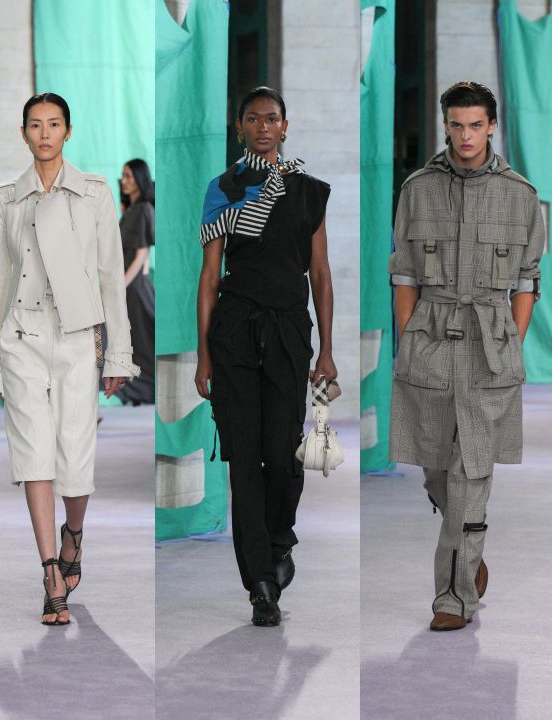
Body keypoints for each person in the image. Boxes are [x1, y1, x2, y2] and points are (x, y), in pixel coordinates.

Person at [0, 93, 139, 625]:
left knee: (75, 457)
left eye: (54, 124)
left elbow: (111, 277)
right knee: (33, 453)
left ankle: (74, 535)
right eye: (35, 125)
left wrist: (119, 354)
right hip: (21, 337)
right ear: (23, 133)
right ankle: (50, 573)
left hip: (76, 338)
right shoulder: (6, 198)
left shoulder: (93, 193)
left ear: (68, 131)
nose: (44, 133)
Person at [388, 81, 545, 631]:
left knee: (471, 473)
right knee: (437, 470)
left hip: (489, 346)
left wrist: (512, 340)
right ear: (445, 126)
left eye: (476, 124)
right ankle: (469, 550)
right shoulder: (418, 189)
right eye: (456, 125)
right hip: (429, 339)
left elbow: (528, 280)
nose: (466, 135)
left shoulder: (520, 195)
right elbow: (404, 274)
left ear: (492, 125)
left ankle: (453, 598)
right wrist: (410, 337)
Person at [194, 86, 336, 627]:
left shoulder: (308, 192)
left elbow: (319, 273)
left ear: (285, 126)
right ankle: (259, 583)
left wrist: (327, 351)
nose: (262, 126)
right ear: (239, 128)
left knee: (282, 455)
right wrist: (204, 355)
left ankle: (279, 542)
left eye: (271, 118)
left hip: (288, 334)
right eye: (252, 119)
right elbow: (210, 277)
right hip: (234, 333)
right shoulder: (222, 189)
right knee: (243, 461)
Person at [115, 159, 155, 405]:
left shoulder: (143, 210)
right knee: (136, 345)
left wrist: (119, 287)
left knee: (144, 343)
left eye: (129, 175)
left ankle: (147, 392)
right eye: (123, 176)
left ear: (140, 178)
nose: (124, 180)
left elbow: (141, 255)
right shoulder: (132, 210)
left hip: (134, 288)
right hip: (129, 287)